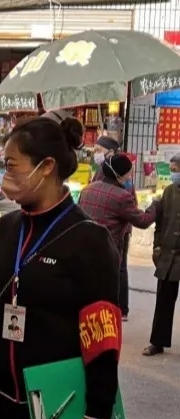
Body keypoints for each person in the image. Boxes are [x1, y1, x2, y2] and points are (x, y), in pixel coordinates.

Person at [0, 114, 122, 419]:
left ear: (46, 168)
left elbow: (103, 333)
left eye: (11, 165)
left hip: (62, 404)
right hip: (1, 401)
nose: (4, 175)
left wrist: (97, 413)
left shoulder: (89, 238)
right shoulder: (7, 227)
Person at [79, 154, 158, 319]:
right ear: (120, 175)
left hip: (83, 250)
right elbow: (143, 221)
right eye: (129, 173)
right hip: (107, 253)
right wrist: (155, 205)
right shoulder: (121, 196)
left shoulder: (88, 189)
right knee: (105, 300)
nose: (130, 177)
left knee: (86, 295)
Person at [91, 135, 135, 318]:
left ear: (110, 151)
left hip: (118, 228)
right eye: (95, 150)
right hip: (108, 226)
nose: (95, 154)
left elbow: (127, 200)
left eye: (98, 150)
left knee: (119, 267)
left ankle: (120, 308)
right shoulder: (104, 168)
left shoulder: (117, 169)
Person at [144, 152, 180, 357]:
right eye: (172, 170)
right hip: (168, 256)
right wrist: (157, 246)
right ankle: (157, 342)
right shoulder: (168, 192)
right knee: (164, 300)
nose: (173, 174)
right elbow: (160, 222)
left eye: (175, 170)